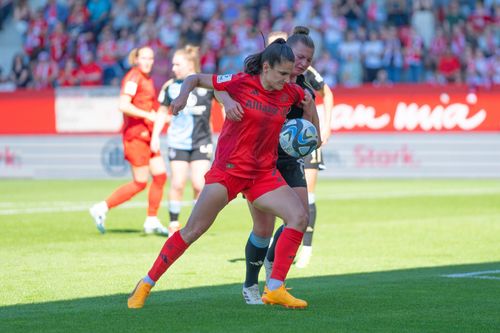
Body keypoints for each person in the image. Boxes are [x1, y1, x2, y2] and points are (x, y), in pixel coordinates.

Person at [128, 38, 317, 310]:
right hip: (228, 171)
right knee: (193, 230)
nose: (288, 80)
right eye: (282, 74)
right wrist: (183, 96)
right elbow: (195, 79)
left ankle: (274, 287)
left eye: (290, 74)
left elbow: (307, 104)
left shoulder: (290, 91)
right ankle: (146, 283)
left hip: (263, 173)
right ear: (266, 67)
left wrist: (310, 129)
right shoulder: (241, 82)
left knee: (299, 216)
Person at [228, 27, 332, 305]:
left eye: (308, 60)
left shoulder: (305, 90)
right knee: (262, 229)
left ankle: (273, 270)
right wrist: (227, 101)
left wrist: (310, 110)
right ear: (287, 51)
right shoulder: (262, 80)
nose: (303, 64)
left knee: (300, 218)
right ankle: (250, 283)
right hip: (259, 163)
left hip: (287, 163)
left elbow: (316, 139)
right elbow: (221, 88)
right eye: (299, 57)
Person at [89, 47, 169, 235]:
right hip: (136, 135)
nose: (148, 61)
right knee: (140, 182)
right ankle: (102, 207)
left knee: (160, 175)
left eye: (151, 58)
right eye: (144, 58)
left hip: (147, 134)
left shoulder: (146, 78)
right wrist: (148, 116)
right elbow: (123, 105)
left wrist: (160, 117)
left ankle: (151, 219)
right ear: (136, 59)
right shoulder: (133, 77)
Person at [152, 45, 216, 236]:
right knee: (178, 183)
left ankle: (195, 224)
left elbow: (222, 104)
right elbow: (162, 112)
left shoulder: (205, 84)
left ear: (190, 65)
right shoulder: (170, 86)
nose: (173, 68)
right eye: (173, 64)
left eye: (177, 64)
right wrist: (155, 136)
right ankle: (173, 224)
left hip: (201, 141)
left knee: (198, 184)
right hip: (178, 142)